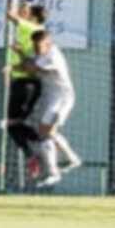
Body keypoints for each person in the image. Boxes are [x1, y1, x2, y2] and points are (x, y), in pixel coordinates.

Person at [11, 30, 81, 187]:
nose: (35, 49)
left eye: (38, 46)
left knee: (45, 132)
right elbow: (29, 64)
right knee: (46, 132)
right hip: (51, 97)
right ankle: (72, 159)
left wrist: (18, 60)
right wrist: (20, 57)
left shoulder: (52, 56)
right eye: (34, 46)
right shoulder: (42, 54)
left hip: (62, 97)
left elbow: (31, 69)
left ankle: (53, 172)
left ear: (48, 44)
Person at [5, 0, 46, 179]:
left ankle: (44, 144)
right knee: (15, 124)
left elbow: (10, 14)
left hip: (24, 84)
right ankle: (44, 143)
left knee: (11, 124)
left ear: (34, 17)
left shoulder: (31, 27)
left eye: (28, 12)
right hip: (28, 84)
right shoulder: (38, 30)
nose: (25, 13)